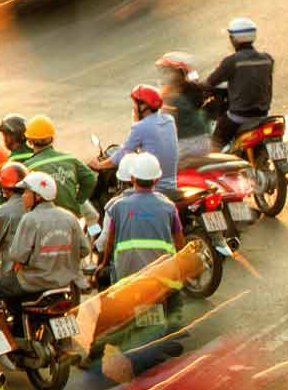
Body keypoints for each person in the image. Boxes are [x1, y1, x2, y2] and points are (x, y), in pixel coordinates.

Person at [0, 170, 90, 308]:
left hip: (34, 282)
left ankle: (7, 329)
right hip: (67, 281)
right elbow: (85, 249)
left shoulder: (30, 219)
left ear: (38, 196)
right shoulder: (69, 217)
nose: (23, 197)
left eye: (27, 192)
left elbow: (18, 255)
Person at [99, 152, 183, 286]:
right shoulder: (170, 207)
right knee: (175, 298)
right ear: (156, 180)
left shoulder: (118, 207)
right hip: (163, 276)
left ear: (132, 179)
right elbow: (179, 243)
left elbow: (109, 242)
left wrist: (103, 263)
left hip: (126, 277)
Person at [93, 85, 180, 198]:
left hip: (153, 187)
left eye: (135, 103)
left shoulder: (141, 127)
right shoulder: (169, 120)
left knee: (118, 200)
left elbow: (123, 153)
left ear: (143, 106)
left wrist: (99, 165)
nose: (133, 107)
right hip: (172, 186)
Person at [205, 17, 276, 148]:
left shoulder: (232, 61)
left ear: (233, 39)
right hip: (263, 114)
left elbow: (210, 82)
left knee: (214, 145)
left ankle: (213, 166)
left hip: (239, 116)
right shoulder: (267, 59)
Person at [20, 115, 94, 217]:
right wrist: (78, 201)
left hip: (45, 218)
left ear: (29, 140)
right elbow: (90, 178)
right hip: (72, 216)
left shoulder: (28, 166)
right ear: (52, 138)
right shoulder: (69, 158)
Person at [157, 52, 212, 164]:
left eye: (169, 71)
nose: (167, 75)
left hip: (186, 145)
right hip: (201, 141)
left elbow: (165, 127)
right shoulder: (191, 89)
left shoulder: (172, 96)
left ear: (179, 73)